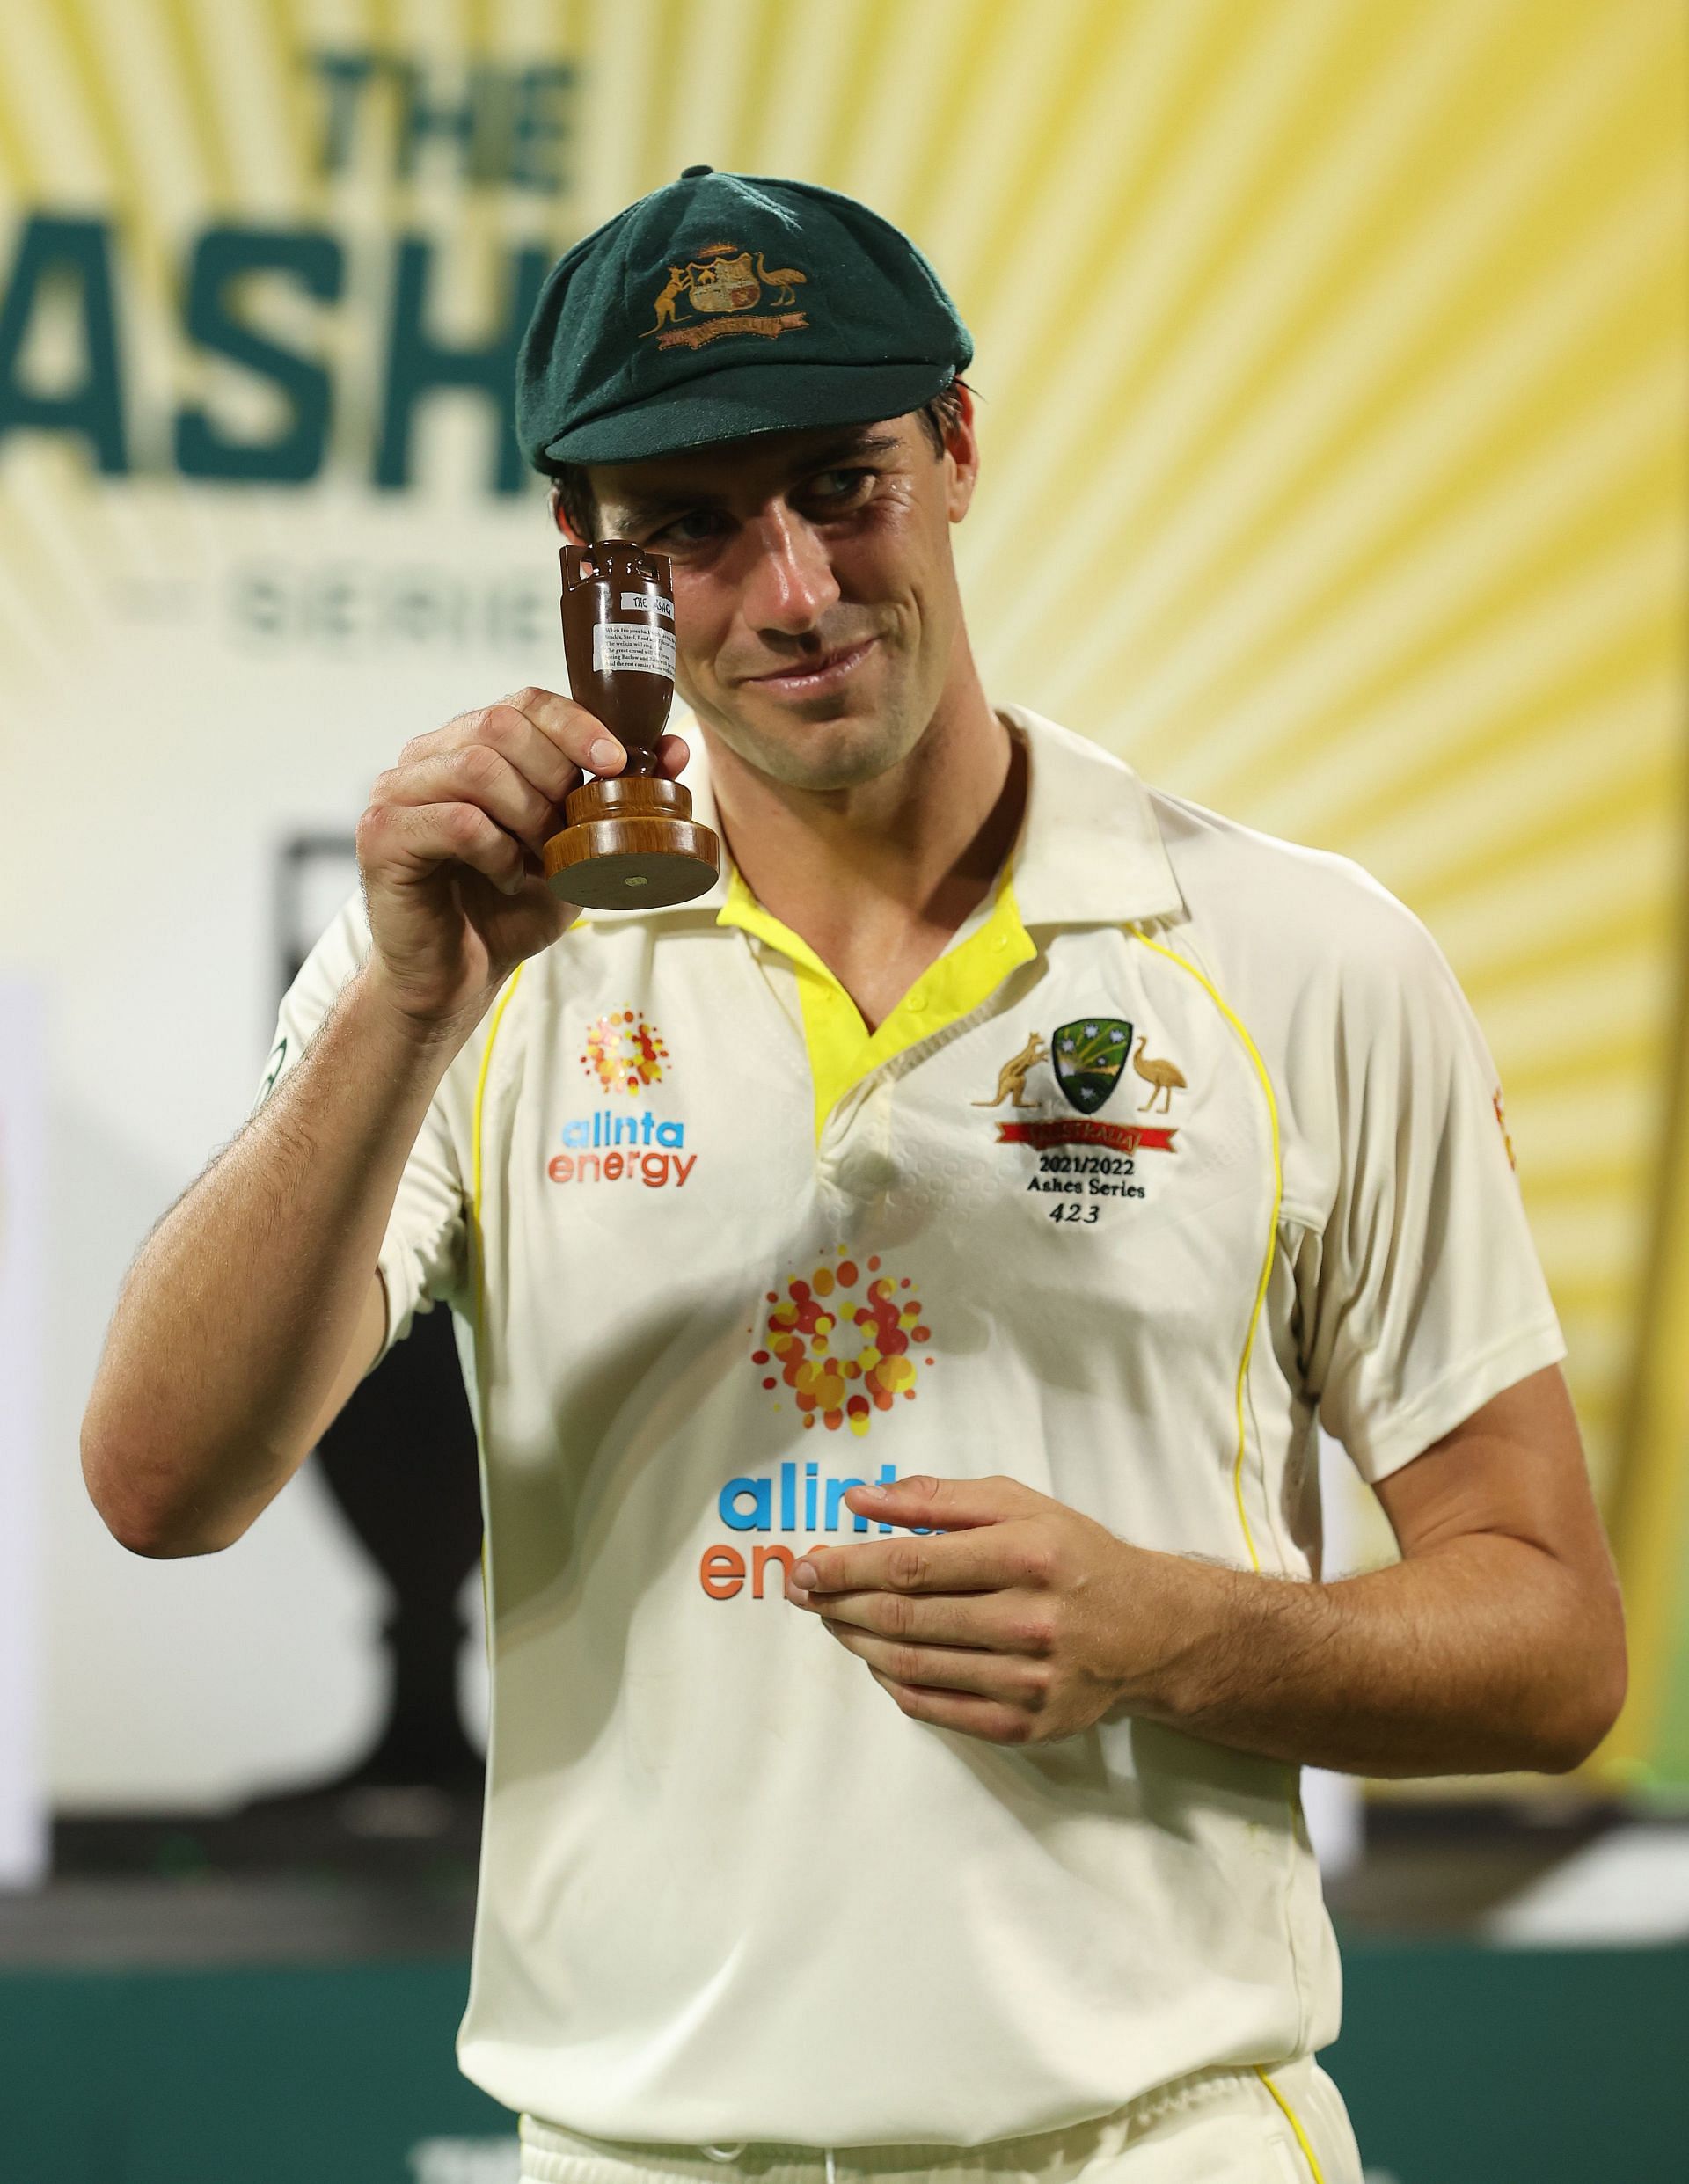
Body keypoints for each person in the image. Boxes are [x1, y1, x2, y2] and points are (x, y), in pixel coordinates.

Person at [82, 170, 1626, 2184]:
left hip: (1161, 2143)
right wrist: (400, 1005)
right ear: (589, 561)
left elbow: (1554, 1648)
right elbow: (160, 1485)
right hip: (634, 2149)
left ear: (959, 445)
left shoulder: (1304, 957)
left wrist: (1179, 1633)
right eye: (692, 530)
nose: (793, 590)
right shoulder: (465, 971)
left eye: (846, 484)